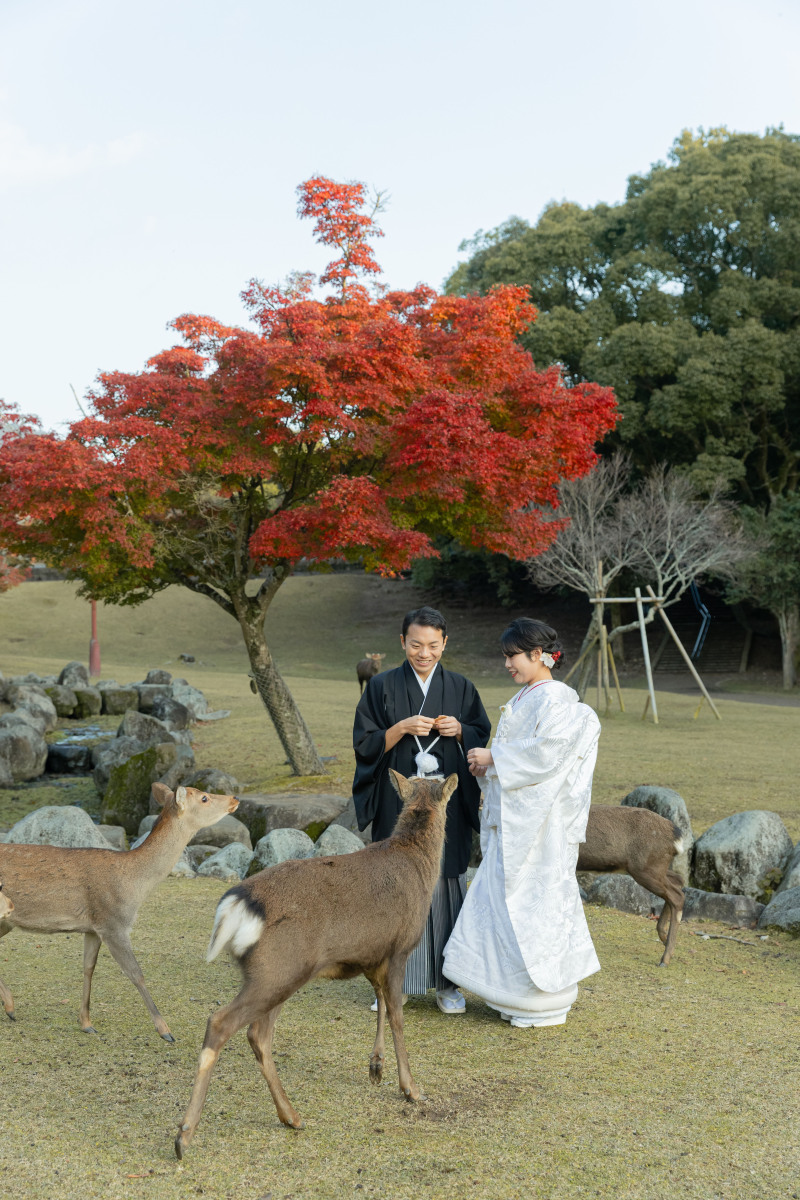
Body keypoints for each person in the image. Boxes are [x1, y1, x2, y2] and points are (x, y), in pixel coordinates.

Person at [442, 617, 601, 1028]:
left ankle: (538, 996)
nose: (507, 664)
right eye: (506, 656)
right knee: (504, 899)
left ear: (537, 655)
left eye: (513, 656)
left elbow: (549, 754)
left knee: (530, 903)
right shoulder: (531, 696)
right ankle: (511, 992)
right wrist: (490, 768)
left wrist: (493, 758)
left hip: (539, 828)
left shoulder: (555, 700)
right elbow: (526, 756)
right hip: (518, 822)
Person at [352, 605, 491, 1014]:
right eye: (416, 644)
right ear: (402, 643)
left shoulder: (462, 687)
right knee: (392, 886)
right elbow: (364, 742)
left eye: (433, 645)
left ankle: (450, 984)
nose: (424, 653)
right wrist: (399, 729)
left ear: (445, 643)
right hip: (399, 803)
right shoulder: (381, 686)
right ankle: (391, 984)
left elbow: (482, 735)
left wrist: (461, 730)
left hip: (442, 811)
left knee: (446, 883)